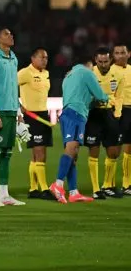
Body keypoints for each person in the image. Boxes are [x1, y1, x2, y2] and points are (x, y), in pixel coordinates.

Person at [50, 53, 109, 203]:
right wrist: (106, 98)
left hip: (68, 113)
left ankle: (74, 192)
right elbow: (100, 95)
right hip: (76, 114)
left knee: (73, 154)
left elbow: (80, 96)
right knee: (72, 147)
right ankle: (58, 184)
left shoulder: (68, 76)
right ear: (88, 64)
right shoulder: (86, 72)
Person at [0, 28, 29, 207]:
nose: (11, 36)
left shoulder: (13, 58)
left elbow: (12, 88)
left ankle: (4, 194)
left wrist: (18, 113)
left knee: (6, 154)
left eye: (11, 34)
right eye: (6, 34)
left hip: (11, 110)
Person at [18, 47, 56, 201]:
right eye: (42, 57)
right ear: (33, 58)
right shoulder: (25, 73)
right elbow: (8, 86)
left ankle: (33, 189)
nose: (45, 60)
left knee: (37, 154)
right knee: (40, 153)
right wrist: (17, 105)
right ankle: (44, 188)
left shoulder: (45, 74)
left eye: (46, 57)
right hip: (31, 116)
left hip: (43, 115)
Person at [86, 47, 124, 199]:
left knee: (113, 151)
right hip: (94, 115)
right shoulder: (89, 74)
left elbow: (119, 96)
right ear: (96, 60)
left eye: (106, 61)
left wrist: (117, 114)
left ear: (110, 61)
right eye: (100, 61)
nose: (103, 64)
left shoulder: (118, 74)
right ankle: (96, 189)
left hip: (110, 114)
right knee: (94, 151)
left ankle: (108, 185)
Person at [111, 44, 131, 195]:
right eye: (117, 53)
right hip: (117, 112)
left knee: (129, 148)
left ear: (128, 54)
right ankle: (108, 184)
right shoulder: (110, 71)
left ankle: (127, 183)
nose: (120, 56)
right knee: (114, 149)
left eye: (122, 53)